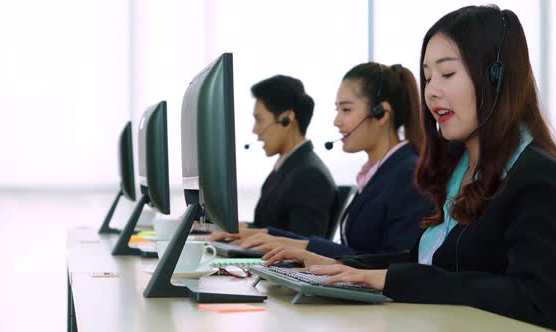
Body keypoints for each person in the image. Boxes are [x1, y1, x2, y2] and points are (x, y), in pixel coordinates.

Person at [264, 6, 556, 329]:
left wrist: (390, 281)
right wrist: (337, 265)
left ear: (496, 78)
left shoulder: (536, 177)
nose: (431, 91)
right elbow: (423, 261)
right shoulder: (459, 169)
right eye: (428, 77)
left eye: (447, 74)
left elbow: (537, 300)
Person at [231, 62, 432, 258]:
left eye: (346, 110)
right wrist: (274, 238)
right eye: (337, 110)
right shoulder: (378, 173)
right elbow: (361, 252)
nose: (336, 121)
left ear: (380, 114)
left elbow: (392, 263)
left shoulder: (408, 175)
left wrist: (303, 247)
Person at [214, 75, 336, 238]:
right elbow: (266, 225)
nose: (255, 130)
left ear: (287, 119)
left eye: (260, 120)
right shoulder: (288, 166)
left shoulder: (310, 175)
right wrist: (221, 228)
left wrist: (245, 235)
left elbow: (302, 243)